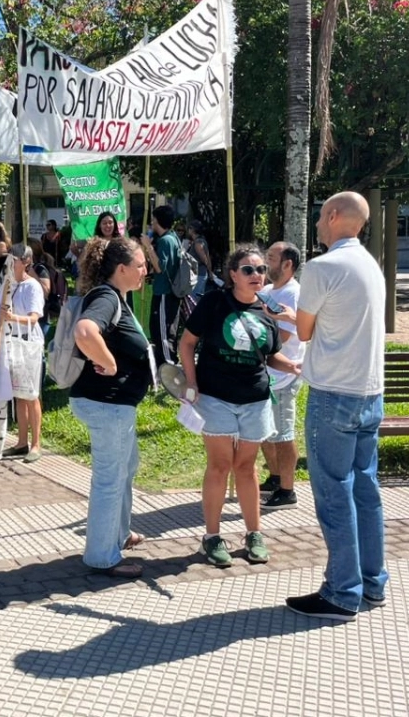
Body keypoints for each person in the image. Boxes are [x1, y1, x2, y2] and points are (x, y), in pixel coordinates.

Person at [287, 191, 387, 622]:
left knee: (333, 494)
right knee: (366, 491)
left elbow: (305, 331)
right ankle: (371, 582)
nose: (316, 223)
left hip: (333, 393)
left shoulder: (322, 266)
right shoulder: (370, 264)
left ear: (332, 216)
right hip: (370, 393)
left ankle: (342, 593)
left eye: (318, 215)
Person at [178, 246, 300, 568]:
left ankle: (254, 534)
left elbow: (270, 354)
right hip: (215, 397)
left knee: (246, 467)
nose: (257, 275)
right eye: (248, 270)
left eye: (261, 270)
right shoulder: (214, 302)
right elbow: (187, 343)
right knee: (220, 465)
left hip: (255, 398)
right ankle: (212, 537)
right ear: (233, 274)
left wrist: (292, 367)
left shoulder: (268, 308)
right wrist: (191, 382)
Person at [69, 237, 152, 578]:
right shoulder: (106, 297)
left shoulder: (117, 298)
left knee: (126, 468)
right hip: (107, 404)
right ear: (122, 269)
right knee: (110, 480)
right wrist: (109, 363)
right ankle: (102, 556)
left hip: (114, 405)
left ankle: (118, 534)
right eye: (141, 264)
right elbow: (85, 331)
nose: (146, 270)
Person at [0, 243, 46, 460]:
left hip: (28, 343)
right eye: (9, 259)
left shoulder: (32, 286)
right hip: (12, 341)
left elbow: (33, 317)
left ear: (26, 262)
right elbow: (0, 311)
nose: (10, 263)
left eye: (14, 259)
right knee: (19, 395)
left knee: (31, 394)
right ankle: (22, 441)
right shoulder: (9, 284)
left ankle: (36, 444)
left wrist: (13, 318)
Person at [259, 242, 305, 510]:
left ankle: (288, 491)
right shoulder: (266, 290)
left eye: (272, 258)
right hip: (265, 373)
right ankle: (275, 478)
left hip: (285, 374)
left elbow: (284, 336)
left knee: (284, 432)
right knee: (266, 431)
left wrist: (255, 336)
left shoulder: (293, 295)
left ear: (288, 264)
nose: (266, 263)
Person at [139, 204, 182, 366]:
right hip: (170, 292)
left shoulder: (165, 241)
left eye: (153, 220)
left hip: (164, 292)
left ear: (158, 221)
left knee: (162, 330)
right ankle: (164, 362)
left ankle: (168, 365)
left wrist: (148, 246)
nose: (151, 224)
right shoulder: (174, 237)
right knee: (164, 329)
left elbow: (159, 267)